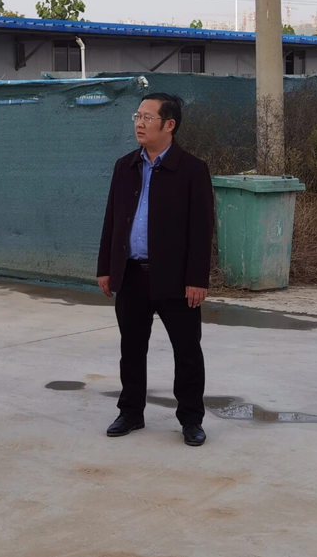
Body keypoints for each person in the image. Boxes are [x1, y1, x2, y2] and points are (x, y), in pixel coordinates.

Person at [96, 93, 214, 447]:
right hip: (131, 273)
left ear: (169, 125)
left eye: (148, 117)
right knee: (131, 348)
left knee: (187, 351)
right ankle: (131, 412)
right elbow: (112, 220)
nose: (139, 123)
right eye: (138, 116)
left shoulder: (192, 169)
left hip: (176, 279)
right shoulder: (125, 166)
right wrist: (106, 268)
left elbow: (202, 229)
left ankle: (191, 419)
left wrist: (197, 279)